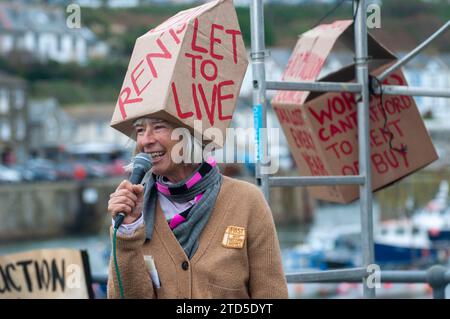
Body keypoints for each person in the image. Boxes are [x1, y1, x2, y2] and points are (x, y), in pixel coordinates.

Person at [107, 117, 288, 299]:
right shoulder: (134, 213)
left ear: (190, 134)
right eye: (139, 130)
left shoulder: (246, 200)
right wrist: (127, 232)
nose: (146, 140)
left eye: (159, 127)